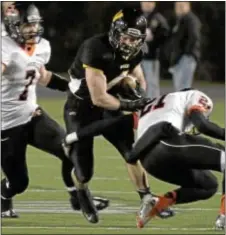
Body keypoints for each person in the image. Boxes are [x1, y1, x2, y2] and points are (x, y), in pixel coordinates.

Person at [63, 7, 174, 224]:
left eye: (136, 40)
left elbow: (139, 78)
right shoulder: (95, 48)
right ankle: (81, 191)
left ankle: (147, 197)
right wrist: (130, 103)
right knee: (85, 170)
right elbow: (98, 97)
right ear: (115, 32)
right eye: (127, 38)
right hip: (82, 108)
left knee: (132, 151)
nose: (131, 44)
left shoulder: (136, 53)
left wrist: (138, 92)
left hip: (110, 105)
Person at [1, 2, 108, 218]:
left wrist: (72, 88)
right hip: (6, 125)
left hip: (32, 115)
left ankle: (77, 198)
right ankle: (4, 197)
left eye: (35, 24)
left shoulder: (41, 47)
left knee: (69, 150)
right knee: (19, 182)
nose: (33, 29)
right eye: (27, 25)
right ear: (14, 26)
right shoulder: (5, 47)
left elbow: (43, 76)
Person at [64, 88, 225, 230]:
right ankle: (223, 218)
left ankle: (158, 203)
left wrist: (74, 136)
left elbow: (111, 123)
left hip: (149, 162)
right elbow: (202, 125)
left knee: (208, 185)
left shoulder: (152, 105)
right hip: (167, 141)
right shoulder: (194, 95)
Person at [167, 2, 201, 91]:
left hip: (186, 57)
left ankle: (184, 105)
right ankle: (182, 105)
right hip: (179, 58)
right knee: (179, 88)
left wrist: (186, 53)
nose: (179, 8)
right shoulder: (181, 19)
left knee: (183, 88)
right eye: (178, 6)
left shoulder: (191, 19)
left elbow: (194, 37)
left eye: (182, 6)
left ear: (188, 6)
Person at [140, 1, 169, 98]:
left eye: (149, 2)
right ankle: (145, 106)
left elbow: (165, 36)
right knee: (142, 83)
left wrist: (154, 42)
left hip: (152, 57)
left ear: (154, 4)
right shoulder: (141, 17)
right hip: (140, 57)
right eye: (144, 2)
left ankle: (154, 106)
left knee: (152, 83)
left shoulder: (158, 18)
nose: (146, 4)